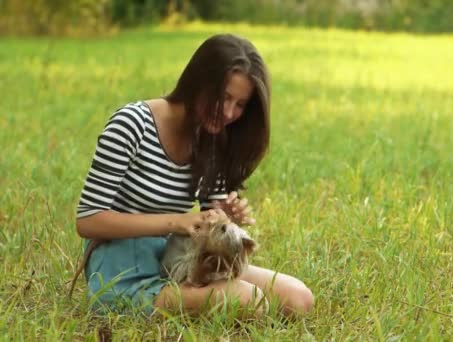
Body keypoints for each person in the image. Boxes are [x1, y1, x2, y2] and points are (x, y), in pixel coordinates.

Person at [75, 33, 314, 318]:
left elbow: (206, 226)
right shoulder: (132, 124)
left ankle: (191, 296)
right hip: (122, 269)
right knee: (249, 301)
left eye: (240, 104)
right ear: (199, 81)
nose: (228, 113)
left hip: (177, 261)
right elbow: (88, 219)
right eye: (223, 98)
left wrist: (223, 219)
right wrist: (178, 222)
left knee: (299, 299)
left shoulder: (211, 138)